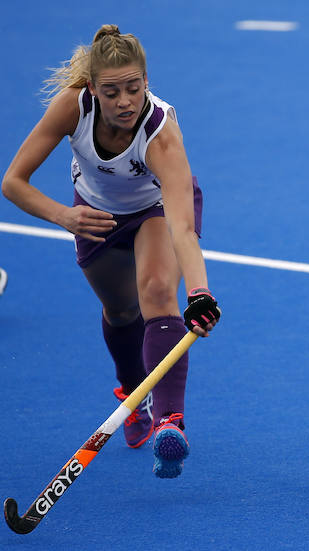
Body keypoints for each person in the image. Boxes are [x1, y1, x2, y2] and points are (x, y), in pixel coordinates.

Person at [1, 24, 220, 479]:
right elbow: (13, 182)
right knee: (120, 312)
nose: (125, 101)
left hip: (156, 209)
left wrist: (199, 292)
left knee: (157, 292)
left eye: (134, 88)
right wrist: (65, 216)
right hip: (93, 215)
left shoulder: (161, 135)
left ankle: (169, 423)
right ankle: (133, 391)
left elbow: (183, 229)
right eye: (112, 91)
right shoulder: (73, 106)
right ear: (92, 89)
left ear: (146, 81)